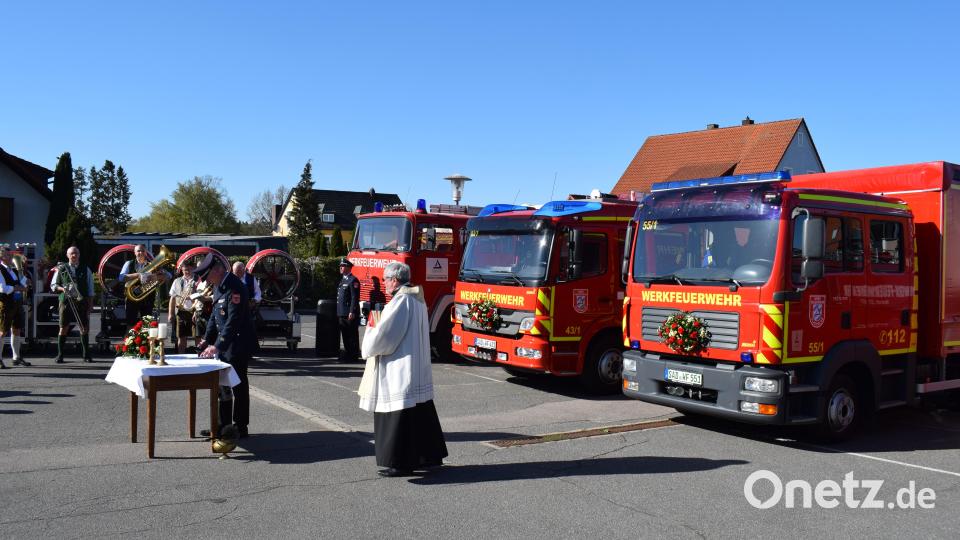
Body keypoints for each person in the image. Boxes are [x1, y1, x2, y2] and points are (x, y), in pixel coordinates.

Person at [359, 261, 447, 477]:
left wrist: (370, 332)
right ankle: (427, 456)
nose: (384, 283)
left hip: (399, 369)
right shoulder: (417, 299)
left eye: (386, 279)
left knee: (399, 418)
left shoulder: (400, 302)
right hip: (415, 368)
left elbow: (385, 337)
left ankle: (400, 463)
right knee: (419, 414)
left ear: (395, 280)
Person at [196, 254, 255, 439]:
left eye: (207, 277)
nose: (206, 281)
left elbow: (233, 321)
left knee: (238, 386)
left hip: (238, 344)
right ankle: (223, 426)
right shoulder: (219, 285)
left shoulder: (235, 287)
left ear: (217, 270)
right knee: (223, 386)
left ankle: (241, 426)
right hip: (225, 344)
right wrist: (206, 340)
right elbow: (215, 316)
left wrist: (218, 345)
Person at [51, 246, 96, 363]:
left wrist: (90, 304)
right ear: (67, 255)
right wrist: (62, 289)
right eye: (71, 253)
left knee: (84, 327)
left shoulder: (86, 269)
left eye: (76, 253)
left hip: (81, 302)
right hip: (66, 301)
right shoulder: (61, 268)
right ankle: (60, 355)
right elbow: (53, 285)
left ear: (79, 255)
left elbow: (90, 289)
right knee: (63, 327)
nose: (74, 255)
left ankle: (86, 355)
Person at [119, 244, 170, 328]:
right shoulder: (128, 263)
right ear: (135, 253)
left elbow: (168, 276)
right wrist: (138, 275)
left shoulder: (153, 264)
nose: (140, 252)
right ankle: (130, 336)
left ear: (146, 253)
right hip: (131, 298)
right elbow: (121, 277)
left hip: (148, 298)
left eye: (143, 251)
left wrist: (155, 277)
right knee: (130, 323)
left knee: (146, 324)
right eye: (138, 251)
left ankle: (145, 336)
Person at [0, 246, 30, 368]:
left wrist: (25, 281)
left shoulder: (12, 270)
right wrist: (17, 288)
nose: (11, 257)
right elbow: (2, 288)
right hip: (5, 304)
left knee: (17, 329)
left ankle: (16, 357)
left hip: (16, 303)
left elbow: (18, 284)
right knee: (2, 331)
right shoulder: (0, 270)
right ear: (1, 257)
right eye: (8, 255)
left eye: (11, 255)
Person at [167, 261, 198, 354]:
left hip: (194, 312)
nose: (186, 272)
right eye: (184, 270)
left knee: (197, 337)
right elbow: (172, 298)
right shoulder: (177, 281)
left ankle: (200, 357)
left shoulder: (198, 280)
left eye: (188, 270)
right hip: (181, 312)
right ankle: (181, 356)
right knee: (181, 337)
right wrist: (170, 314)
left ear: (193, 269)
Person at [336, 258, 361, 362]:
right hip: (342, 312)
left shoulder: (353, 280)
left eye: (343, 266)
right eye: (340, 266)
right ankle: (348, 353)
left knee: (352, 335)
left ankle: (353, 355)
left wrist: (352, 311)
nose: (341, 268)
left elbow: (354, 297)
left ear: (348, 267)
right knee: (345, 334)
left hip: (349, 313)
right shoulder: (344, 279)